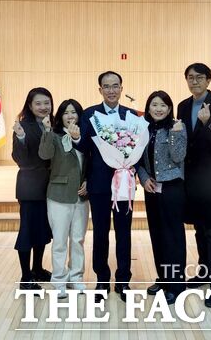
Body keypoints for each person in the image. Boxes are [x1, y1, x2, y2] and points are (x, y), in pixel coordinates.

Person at [74, 71, 138, 302]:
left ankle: (123, 281)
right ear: (100, 89)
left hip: (124, 185)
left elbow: (138, 148)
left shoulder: (131, 115)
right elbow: (83, 148)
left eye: (115, 86)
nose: (111, 90)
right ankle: (102, 279)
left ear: (122, 88)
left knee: (124, 233)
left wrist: (135, 171)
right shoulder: (90, 114)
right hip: (99, 183)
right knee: (100, 233)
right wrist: (75, 138)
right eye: (107, 86)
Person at [176, 63, 211, 309]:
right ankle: (204, 272)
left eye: (199, 77)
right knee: (198, 228)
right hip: (190, 178)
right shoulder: (183, 106)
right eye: (190, 77)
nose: (194, 81)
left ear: (208, 80)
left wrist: (208, 123)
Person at [136, 91, 187, 305]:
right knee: (157, 235)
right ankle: (163, 279)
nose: (158, 109)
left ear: (169, 108)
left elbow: (178, 156)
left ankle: (176, 285)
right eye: (154, 104)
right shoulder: (143, 129)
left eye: (163, 105)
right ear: (148, 108)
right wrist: (144, 178)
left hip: (172, 188)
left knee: (172, 237)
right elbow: (136, 159)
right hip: (151, 188)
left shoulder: (177, 127)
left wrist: (176, 134)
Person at [38, 99, 89, 299]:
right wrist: (47, 131)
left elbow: (91, 163)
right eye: (66, 112)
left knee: (78, 240)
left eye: (74, 112)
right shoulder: (54, 136)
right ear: (60, 116)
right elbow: (44, 155)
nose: (70, 116)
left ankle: (76, 277)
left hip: (81, 197)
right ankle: (59, 280)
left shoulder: (86, 136)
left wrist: (88, 182)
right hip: (59, 196)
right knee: (59, 241)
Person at [12, 87, 54, 290]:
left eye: (47, 103)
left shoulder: (52, 124)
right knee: (28, 231)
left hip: (49, 187)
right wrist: (21, 138)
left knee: (43, 230)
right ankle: (25, 277)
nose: (43, 107)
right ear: (30, 106)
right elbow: (19, 159)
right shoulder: (23, 126)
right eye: (38, 103)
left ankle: (37, 268)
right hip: (30, 186)